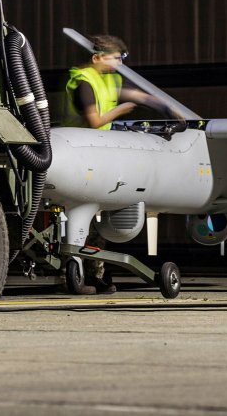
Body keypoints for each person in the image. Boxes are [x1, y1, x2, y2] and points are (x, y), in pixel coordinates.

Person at [63, 34, 178, 293]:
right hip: (80, 152)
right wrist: (123, 108)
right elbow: (95, 120)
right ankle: (78, 271)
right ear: (97, 58)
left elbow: (138, 95)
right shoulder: (84, 82)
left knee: (97, 221)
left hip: (100, 153)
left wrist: (168, 109)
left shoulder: (107, 79)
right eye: (115, 58)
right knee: (85, 220)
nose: (118, 64)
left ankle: (93, 273)